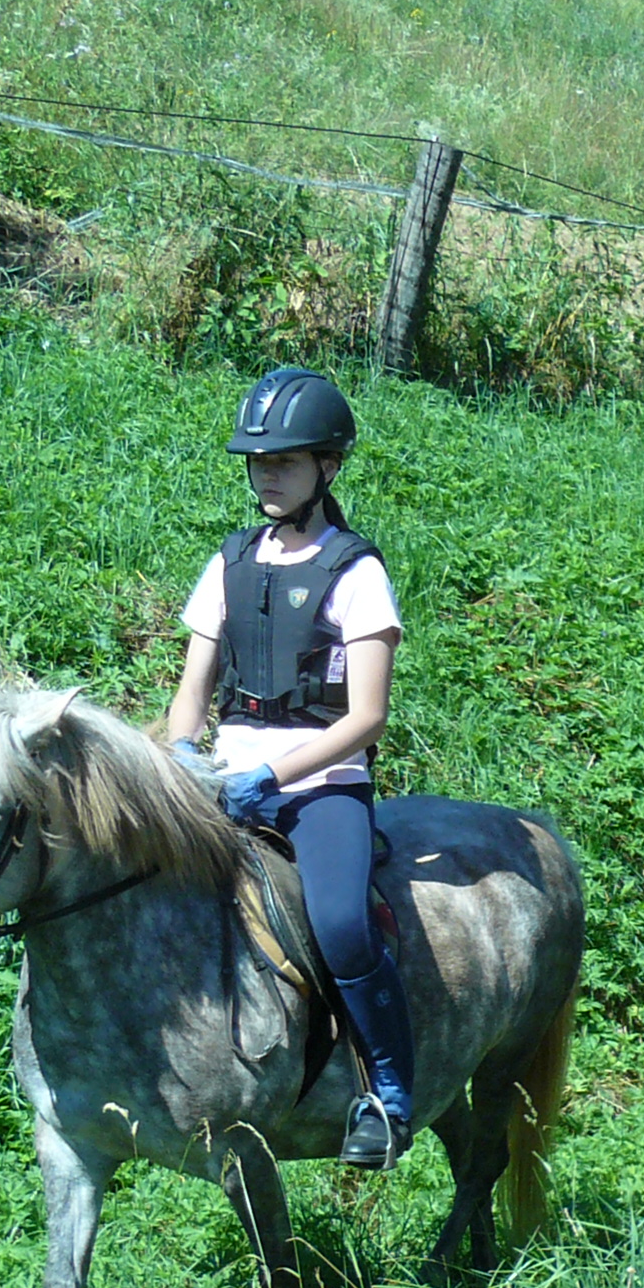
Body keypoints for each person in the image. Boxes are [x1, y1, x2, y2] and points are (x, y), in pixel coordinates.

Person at [163, 366, 413, 1168]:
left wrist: (273, 779)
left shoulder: (356, 572)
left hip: (321, 787)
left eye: (287, 461)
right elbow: (191, 694)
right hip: (222, 782)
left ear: (326, 467)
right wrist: (179, 755)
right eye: (259, 461)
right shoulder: (228, 563)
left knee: (340, 923)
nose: (269, 474)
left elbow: (367, 716)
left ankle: (389, 1093)